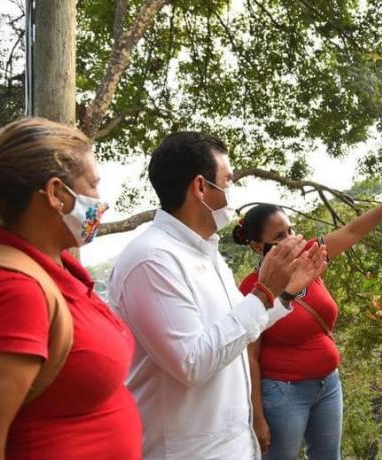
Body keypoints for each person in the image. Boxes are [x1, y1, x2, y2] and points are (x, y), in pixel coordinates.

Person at [107, 132, 327, 460]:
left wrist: (285, 293)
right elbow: (191, 363)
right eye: (227, 180)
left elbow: (236, 330)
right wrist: (264, 291)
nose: (232, 192)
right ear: (200, 187)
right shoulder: (152, 260)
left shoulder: (206, 252)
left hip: (231, 445)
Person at [232, 177, 382, 459]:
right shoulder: (251, 290)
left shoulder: (311, 256)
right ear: (258, 247)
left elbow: (353, 231)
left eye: (290, 229)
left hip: (328, 385)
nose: (291, 239)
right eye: (279, 236)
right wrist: (257, 416)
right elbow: (250, 358)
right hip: (284, 393)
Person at [0, 118, 141, 459]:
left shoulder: (61, 268)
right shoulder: (17, 289)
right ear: (57, 193)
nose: (101, 200)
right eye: (93, 184)